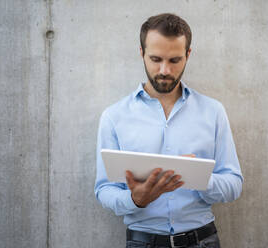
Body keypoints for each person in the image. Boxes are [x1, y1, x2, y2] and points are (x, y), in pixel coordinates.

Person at [95, 13, 243, 248]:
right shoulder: (114, 117)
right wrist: (135, 199)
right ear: (141, 53)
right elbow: (104, 190)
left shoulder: (213, 111)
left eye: (174, 60)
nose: (164, 70)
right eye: (155, 59)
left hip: (202, 240)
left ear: (188, 55)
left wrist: (199, 178)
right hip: (142, 241)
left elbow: (234, 184)